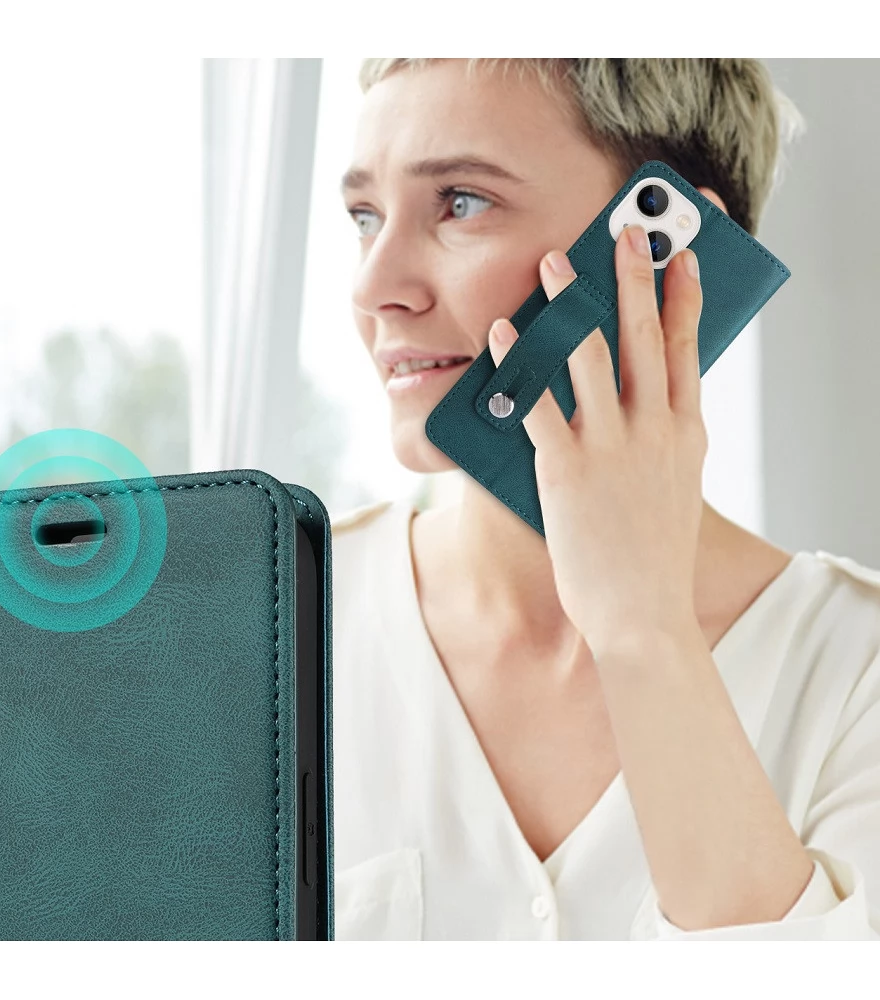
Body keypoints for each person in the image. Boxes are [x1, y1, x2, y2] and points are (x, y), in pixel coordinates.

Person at [328, 58, 880, 940]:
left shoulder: (857, 670)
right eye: (365, 217)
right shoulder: (276, 619)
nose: (373, 288)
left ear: (672, 253)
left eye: (461, 202)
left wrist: (644, 629)